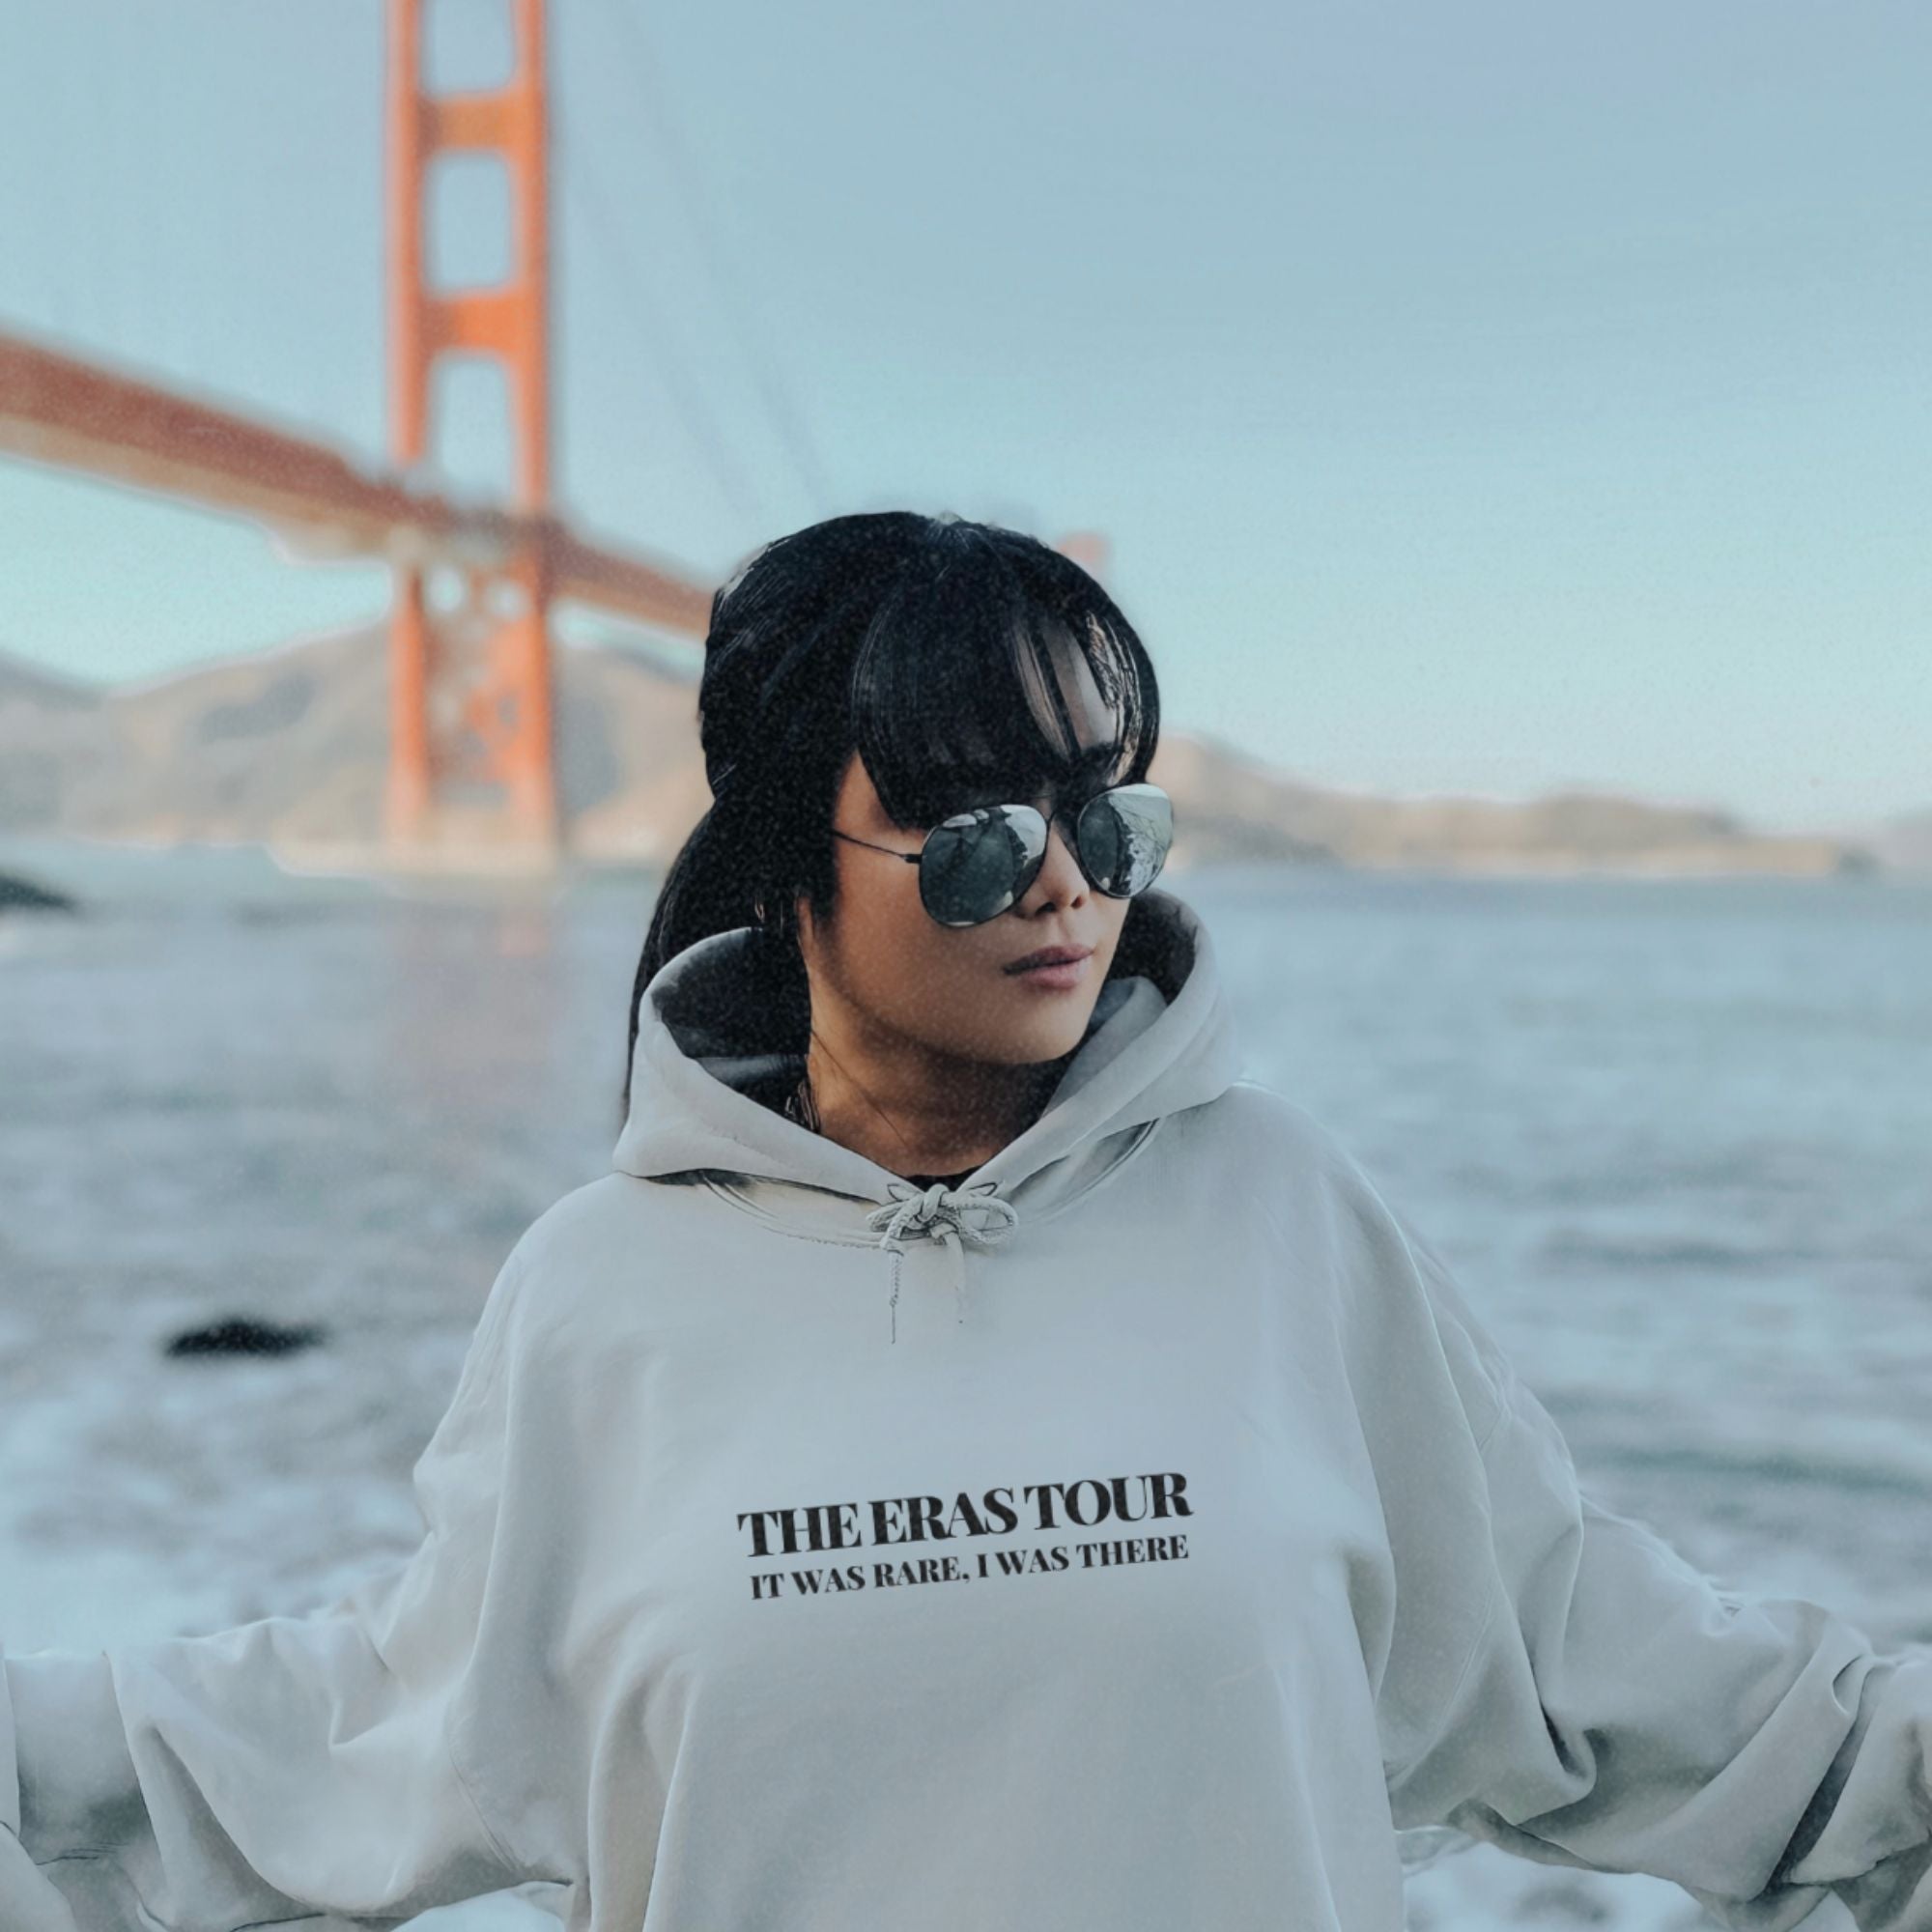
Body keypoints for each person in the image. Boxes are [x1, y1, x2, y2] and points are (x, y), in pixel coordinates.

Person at [4, 510, 1929, 1932]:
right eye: (981, 829)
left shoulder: (1281, 1216)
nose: (1066, 888)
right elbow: (378, 1719)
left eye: (1110, 818)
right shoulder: (603, 1296)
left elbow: (1592, 1653)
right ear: (784, 860)